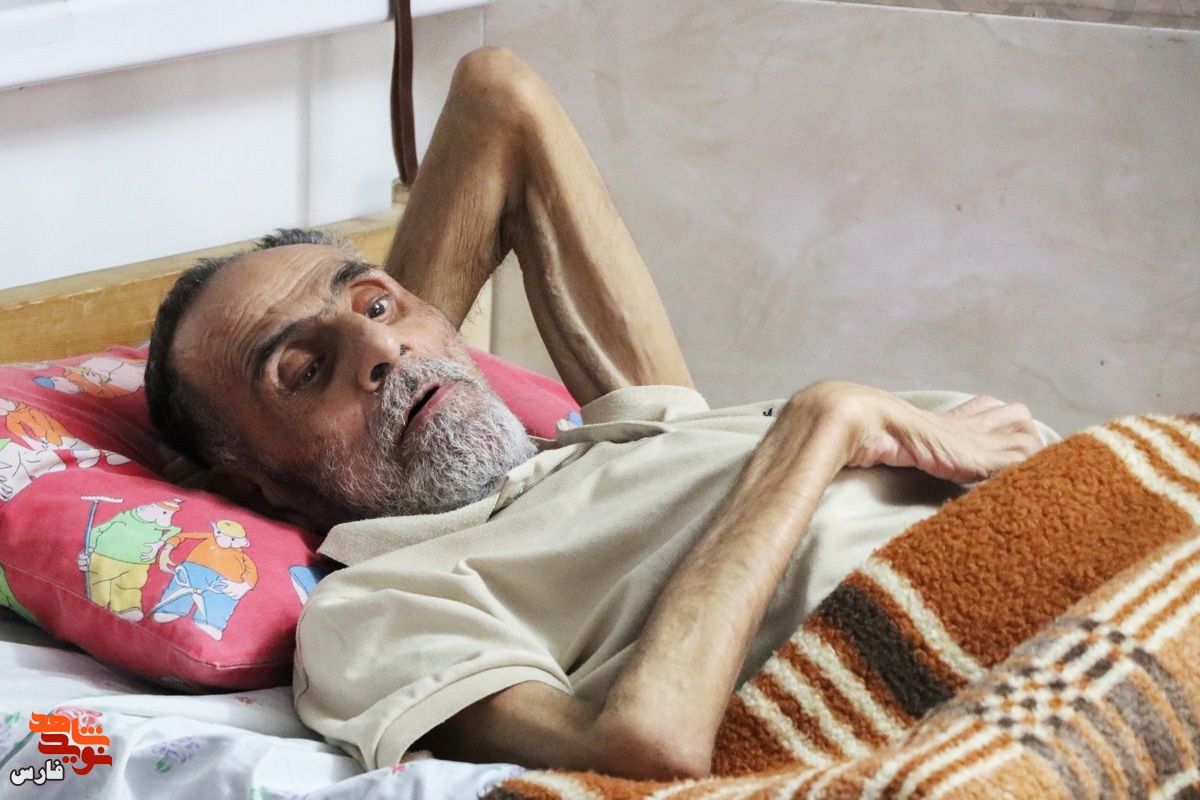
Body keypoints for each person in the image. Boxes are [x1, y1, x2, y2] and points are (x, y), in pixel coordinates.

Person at [143, 47, 1047, 780]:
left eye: (379, 303)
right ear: (252, 484)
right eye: (305, 371)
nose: (383, 347)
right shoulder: (378, 605)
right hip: (1006, 673)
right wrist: (822, 426)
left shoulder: (632, 433)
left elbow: (498, 94)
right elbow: (636, 751)